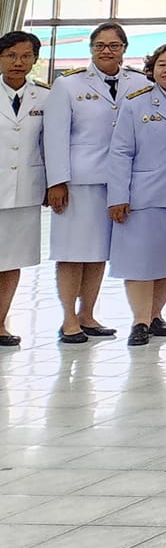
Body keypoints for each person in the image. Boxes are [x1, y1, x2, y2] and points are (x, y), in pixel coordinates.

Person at [43, 21, 146, 343]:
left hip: (120, 181)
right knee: (72, 251)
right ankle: (68, 319)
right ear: (91, 49)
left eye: (114, 45)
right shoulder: (68, 85)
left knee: (99, 251)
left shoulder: (139, 82)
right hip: (79, 181)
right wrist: (57, 181)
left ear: (124, 49)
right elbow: (55, 136)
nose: (106, 51)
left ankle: (87, 314)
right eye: (100, 45)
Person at [107, 42, 166, 346]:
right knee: (139, 261)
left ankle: (156, 314)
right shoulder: (136, 103)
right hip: (143, 195)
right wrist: (118, 196)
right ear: (152, 69)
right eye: (162, 64)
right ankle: (140, 320)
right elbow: (120, 151)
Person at [0, 31, 49, 348]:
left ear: (34, 59)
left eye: (26, 56)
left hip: (24, 191)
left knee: (10, 259)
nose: (18, 62)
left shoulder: (45, 96)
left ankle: (0, 322)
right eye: (11, 56)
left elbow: (51, 144)